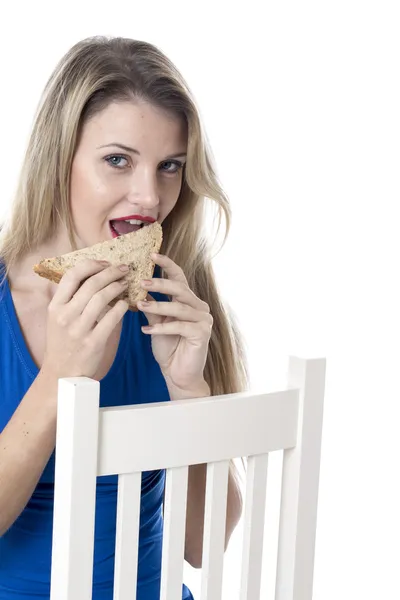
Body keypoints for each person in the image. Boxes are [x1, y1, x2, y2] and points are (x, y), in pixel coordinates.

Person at [0, 36, 248, 599]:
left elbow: (205, 547)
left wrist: (189, 389)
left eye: (170, 167)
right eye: (118, 160)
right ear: (57, 158)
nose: (149, 196)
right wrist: (59, 378)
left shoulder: (178, 302)